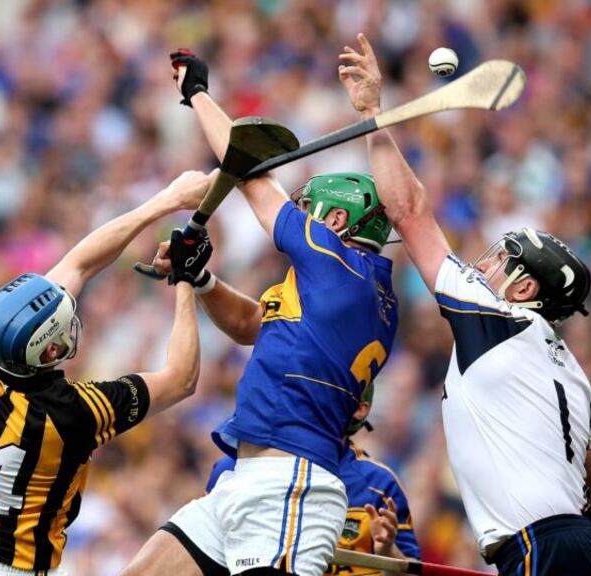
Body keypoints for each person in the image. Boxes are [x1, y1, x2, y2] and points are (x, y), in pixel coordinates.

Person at [337, 34, 591, 575]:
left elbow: (410, 212)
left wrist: (374, 115)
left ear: (524, 291)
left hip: (541, 547)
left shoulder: (498, 322)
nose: (483, 265)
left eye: (501, 260)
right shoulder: (572, 372)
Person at [121, 51, 399, 576]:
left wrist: (196, 93)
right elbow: (252, 325)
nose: (299, 218)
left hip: (289, 488)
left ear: (335, 219)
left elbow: (246, 166)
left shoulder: (335, 264)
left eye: (307, 209)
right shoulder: (342, 287)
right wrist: (201, 279)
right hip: (242, 481)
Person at [0, 170, 214, 575]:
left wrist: (168, 199)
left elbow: (79, 265)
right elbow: (181, 378)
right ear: (52, 351)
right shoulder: (71, 412)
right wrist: (186, 280)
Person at [205, 393, 421, 576]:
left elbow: (411, 570)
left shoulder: (380, 484)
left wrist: (387, 552)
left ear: (360, 409)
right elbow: (205, 557)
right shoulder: (232, 471)